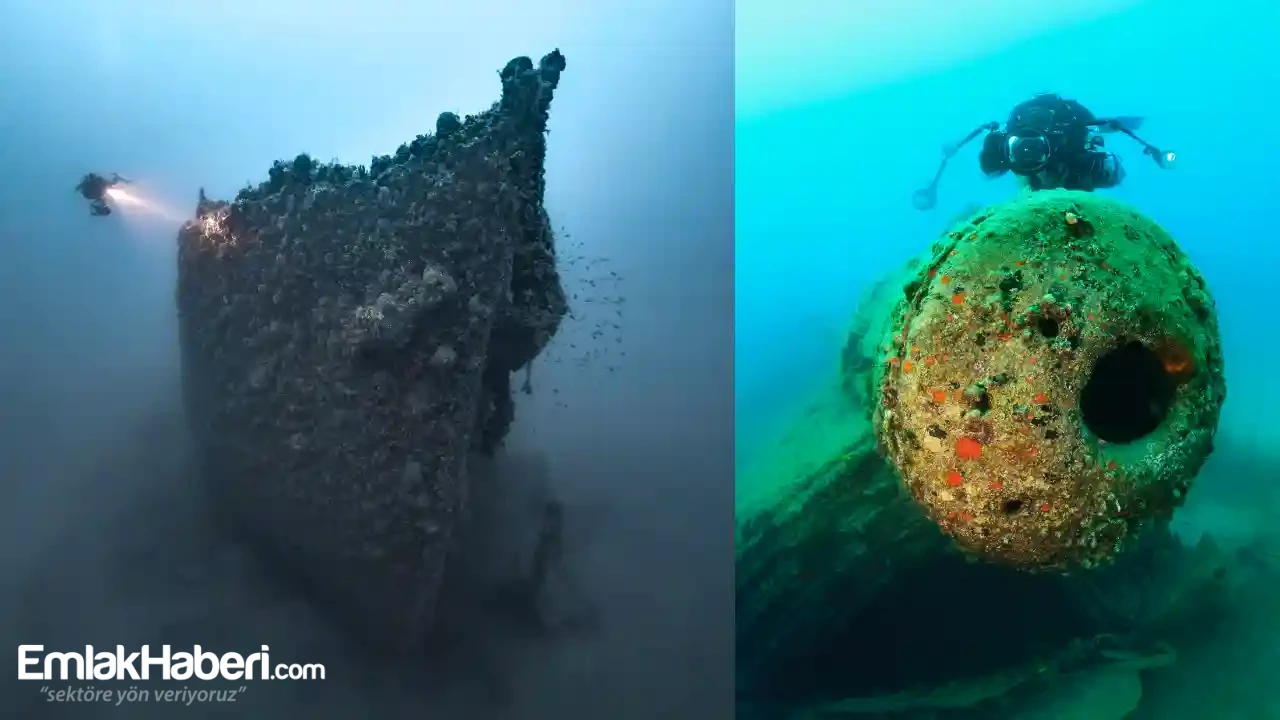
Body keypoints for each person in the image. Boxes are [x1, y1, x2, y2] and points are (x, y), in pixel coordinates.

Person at [911, 94, 1175, 211]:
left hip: (1069, 148)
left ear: (1051, 142)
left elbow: (1106, 171)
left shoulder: (1067, 141)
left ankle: (1097, 138)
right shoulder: (1002, 146)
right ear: (1007, 144)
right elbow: (989, 168)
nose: (1028, 153)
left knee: (1102, 171)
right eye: (1019, 148)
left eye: (1036, 148)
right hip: (1045, 160)